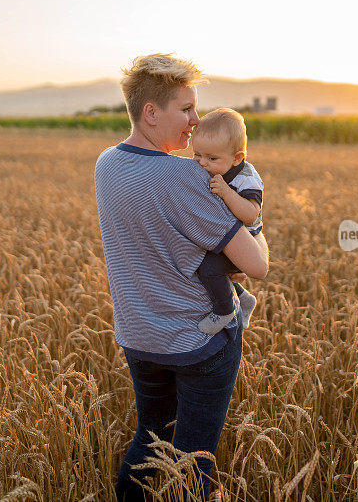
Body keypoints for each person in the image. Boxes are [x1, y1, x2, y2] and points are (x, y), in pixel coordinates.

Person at [94, 53, 269, 501]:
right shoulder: (183, 175)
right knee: (195, 462)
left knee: (149, 439)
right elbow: (257, 266)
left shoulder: (107, 164)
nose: (196, 120)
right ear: (151, 113)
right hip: (198, 342)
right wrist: (257, 228)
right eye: (186, 109)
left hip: (139, 338)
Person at [190, 108, 264, 335]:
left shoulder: (245, 179)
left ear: (237, 158)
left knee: (209, 269)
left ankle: (225, 310)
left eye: (211, 158)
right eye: (197, 155)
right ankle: (243, 297)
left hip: (244, 239)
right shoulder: (216, 168)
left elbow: (251, 214)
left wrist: (227, 193)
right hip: (226, 233)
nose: (203, 163)